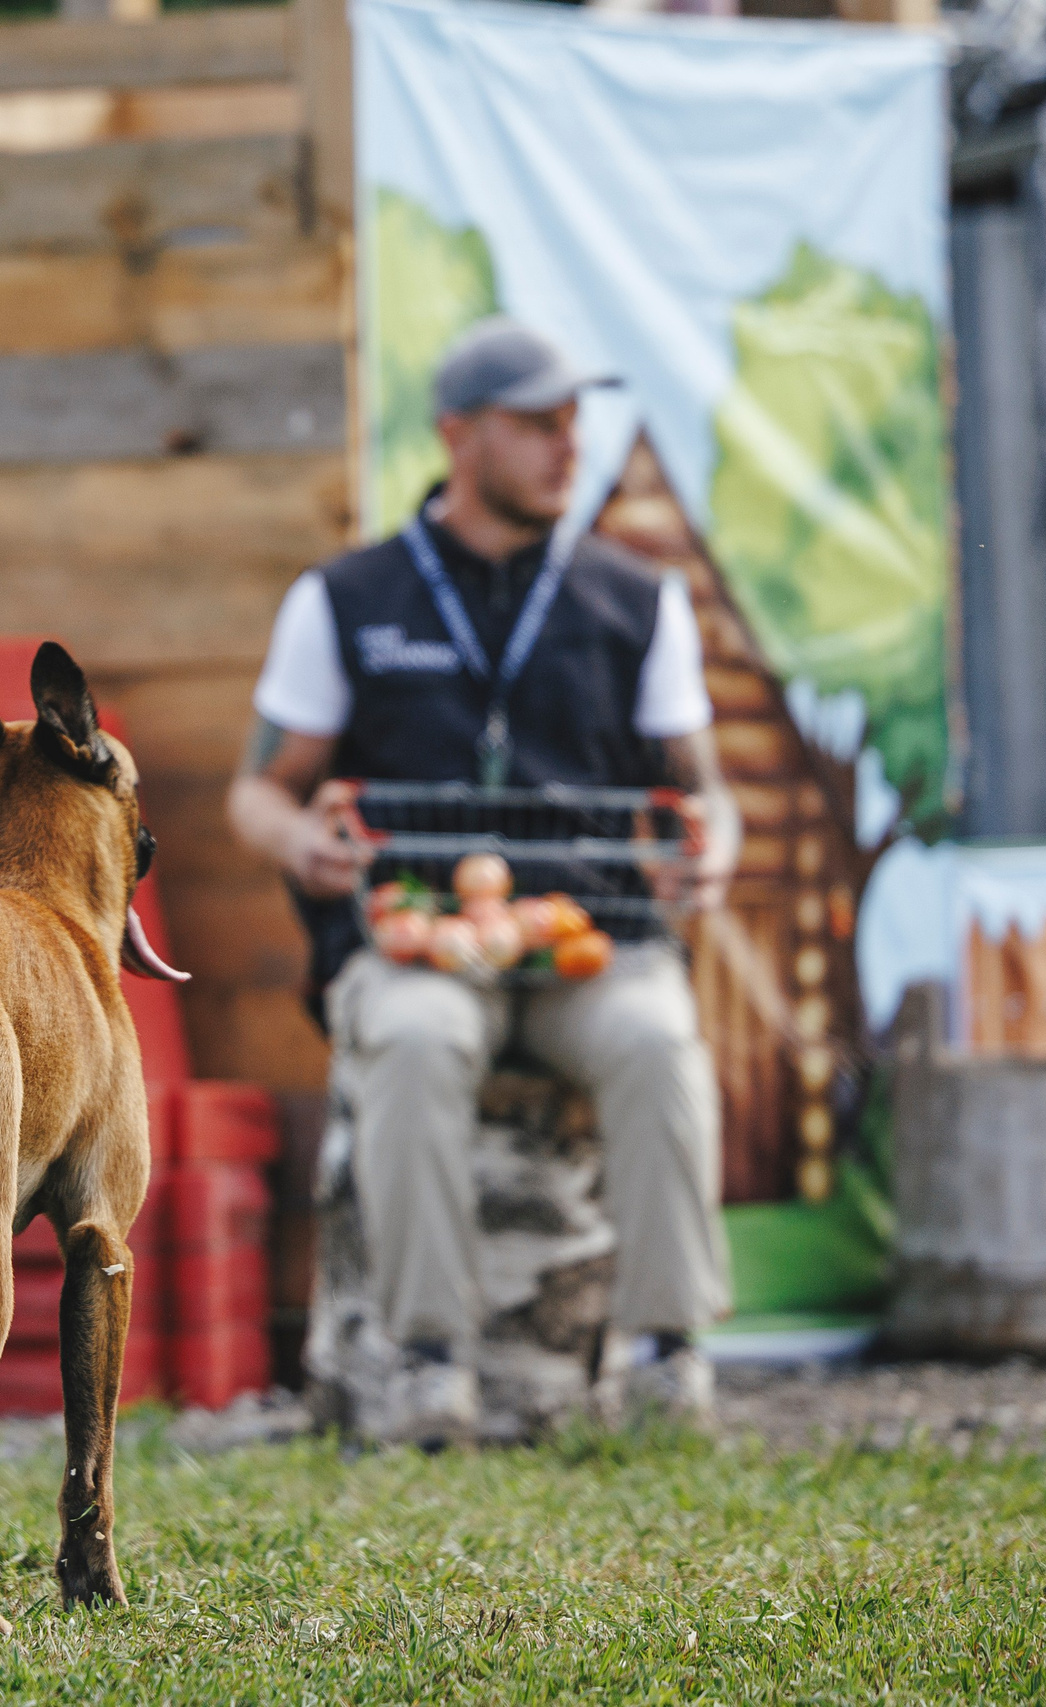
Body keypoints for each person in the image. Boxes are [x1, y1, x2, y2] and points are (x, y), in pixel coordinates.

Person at [227, 318, 740, 1443]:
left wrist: (713, 850)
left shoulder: (635, 598)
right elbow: (258, 795)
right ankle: (426, 1361)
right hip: (416, 940)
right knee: (411, 1036)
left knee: (659, 1040)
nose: (570, 446)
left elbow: (708, 798)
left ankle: (666, 1359)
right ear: (458, 434)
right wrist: (297, 845)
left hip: (587, 943)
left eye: (575, 422)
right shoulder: (346, 598)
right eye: (538, 423)